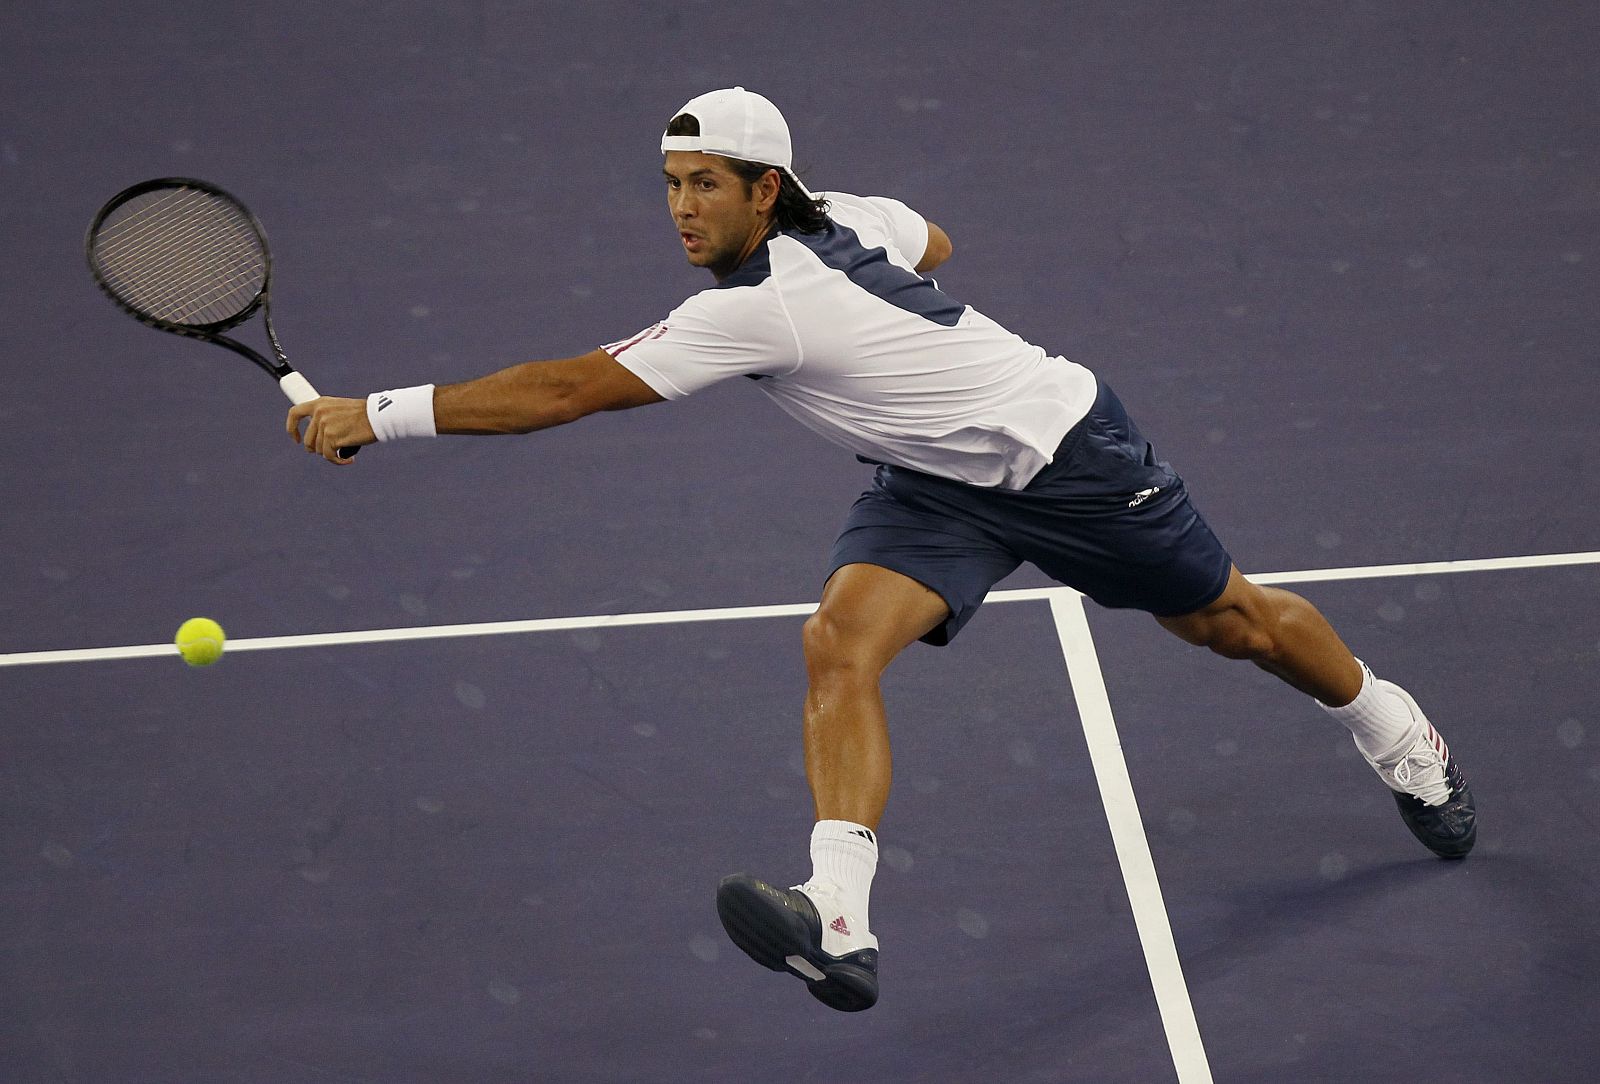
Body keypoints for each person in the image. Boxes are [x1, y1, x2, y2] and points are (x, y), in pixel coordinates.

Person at [288, 87, 1476, 1013]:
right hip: (935, 483)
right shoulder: (848, 216)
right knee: (837, 646)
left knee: (1229, 625)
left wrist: (374, 412)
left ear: (766, 189)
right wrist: (907, 347)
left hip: (1068, 457)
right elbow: (933, 237)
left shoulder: (754, 309)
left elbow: (564, 391)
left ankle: (1389, 722)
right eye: (668, 182)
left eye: (707, 183)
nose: (680, 206)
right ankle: (838, 917)